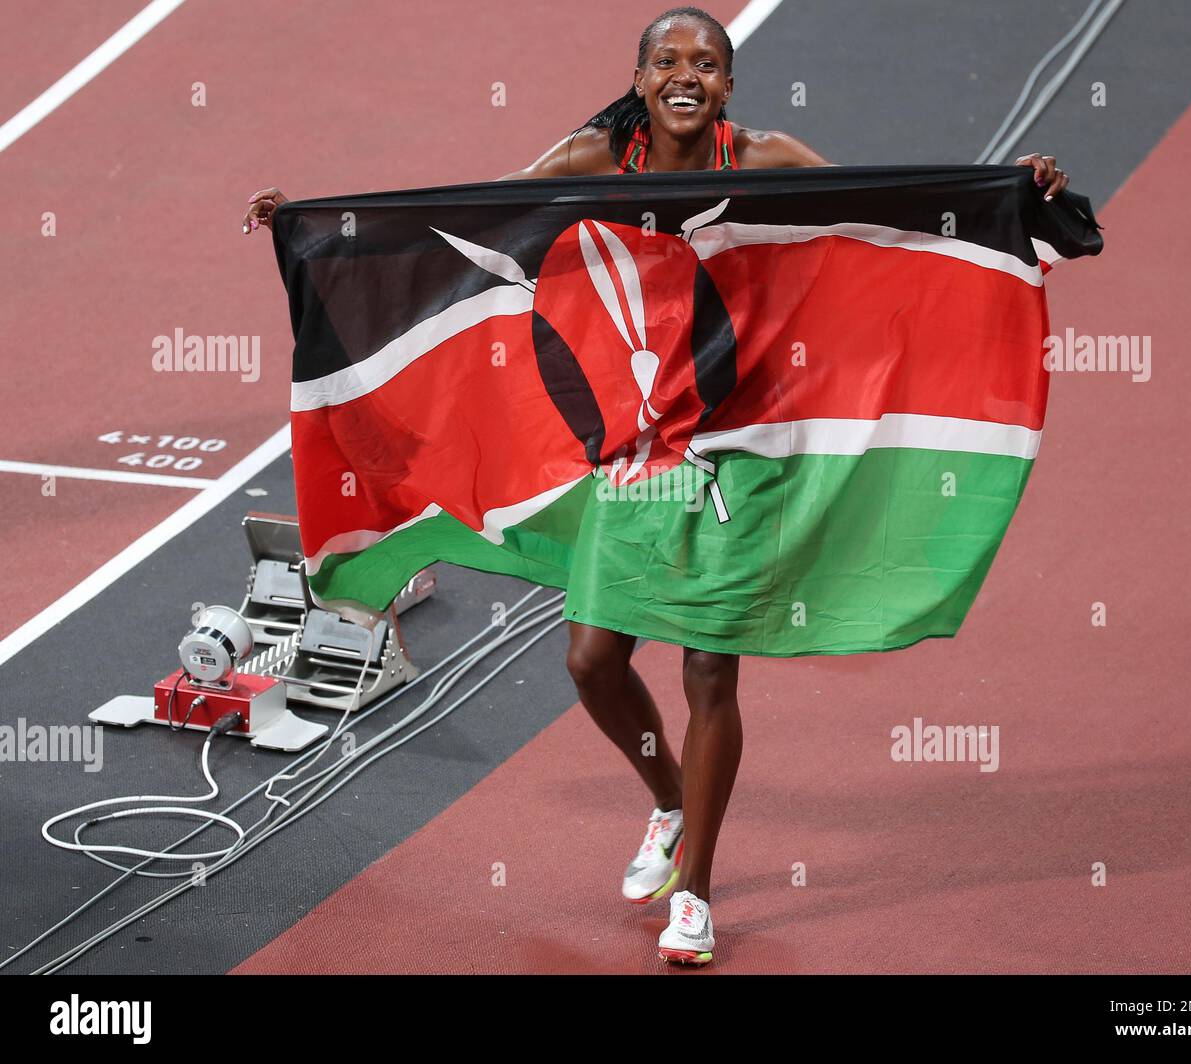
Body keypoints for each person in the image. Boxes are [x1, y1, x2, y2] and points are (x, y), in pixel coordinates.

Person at [242, 5, 1070, 967]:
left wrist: (1019, 190)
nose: (688, 74)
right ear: (639, 79)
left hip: (743, 446)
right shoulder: (588, 159)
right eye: (667, 60)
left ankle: (698, 895)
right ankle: (670, 802)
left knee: (709, 669)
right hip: (637, 456)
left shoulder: (762, 160)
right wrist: (312, 222)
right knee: (592, 660)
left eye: (707, 63)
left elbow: (893, 208)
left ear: (727, 86)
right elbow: (458, 220)